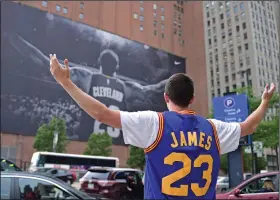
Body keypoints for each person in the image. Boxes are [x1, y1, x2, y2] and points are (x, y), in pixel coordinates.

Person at [49, 54, 276, 199]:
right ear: (192, 99)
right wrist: (264, 101)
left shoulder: (155, 123)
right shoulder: (213, 129)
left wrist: (65, 82)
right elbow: (249, 126)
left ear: (166, 97)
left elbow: (102, 114)